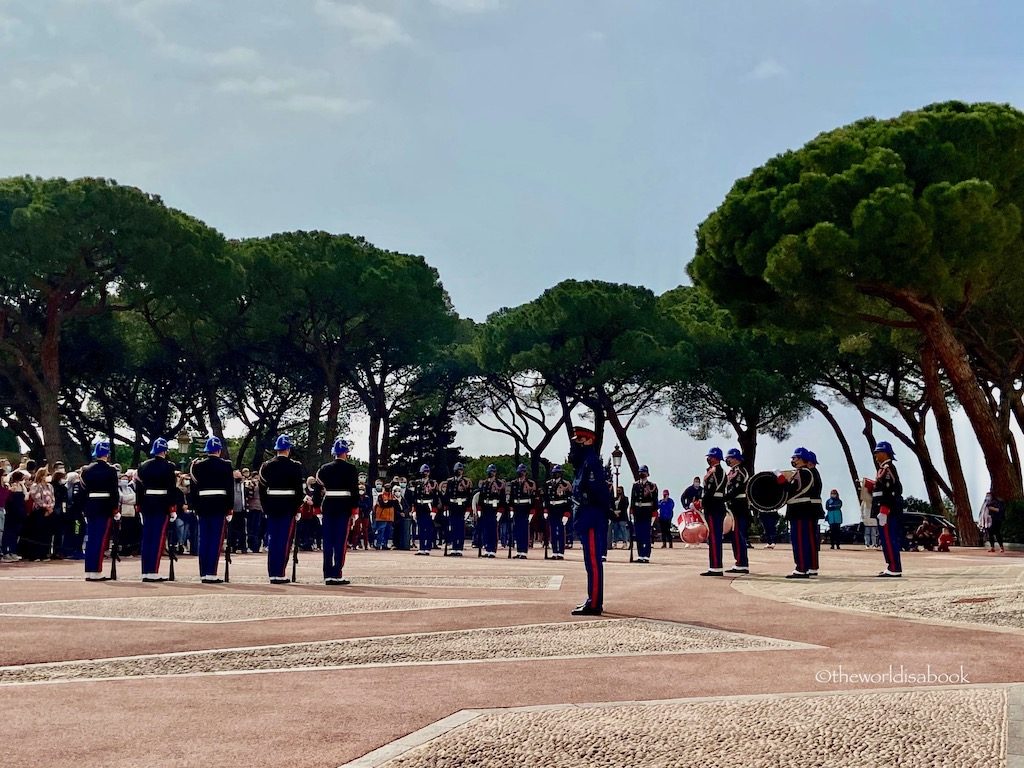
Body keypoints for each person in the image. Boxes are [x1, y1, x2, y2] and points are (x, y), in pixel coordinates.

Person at [569, 424, 610, 615]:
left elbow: (597, 492)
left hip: (591, 515)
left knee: (593, 562)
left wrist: (602, 512)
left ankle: (594, 603)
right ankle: (592, 599)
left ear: (589, 441)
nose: (577, 444)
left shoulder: (591, 462)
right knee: (589, 561)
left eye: (580, 440)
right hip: (586, 515)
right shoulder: (585, 462)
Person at [259, 435, 306, 584]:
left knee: (273, 539)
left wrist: (265, 507)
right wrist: (298, 508)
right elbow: (299, 490)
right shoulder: (295, 466)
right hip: (288, 507)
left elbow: (262, 489)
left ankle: (273, 572)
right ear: (288, 449)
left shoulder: (266, 465)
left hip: (272, 506)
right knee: (284, 540)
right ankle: (279, 572)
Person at [189, 436, 234, 583]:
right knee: (215, 540)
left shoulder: (197, 465)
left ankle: (203, 573)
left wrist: (195, 507)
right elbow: (230, 489)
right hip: (219, 506)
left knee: (204, 540)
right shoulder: (226, 465)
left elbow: (193, 490)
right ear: (219, 450)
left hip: (203, 506)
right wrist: (230, 508)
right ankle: (211, 573)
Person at [314, 438, 359, 585]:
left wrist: (316, 507)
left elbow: (318, 488)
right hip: (344, 506)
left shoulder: (324, 468)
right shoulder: (351, 469)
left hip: (328, 505)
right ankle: (337, 573)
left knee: (328, 541)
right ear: (346, 453)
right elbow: (354, 491)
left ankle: (327, 574)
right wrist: (355, 510)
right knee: (340, 541)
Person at [136, 437, 178, 582]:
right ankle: (153, 571)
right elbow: (171, 489)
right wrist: (172, 508)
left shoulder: (143, 466)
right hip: (161, 504)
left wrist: (139, 506)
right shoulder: (169, 466)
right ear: (165, 451)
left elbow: (139, 489)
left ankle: (145, 570)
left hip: (147, 504)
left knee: (147, 538)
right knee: (158, 538)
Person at [81, 440, 120, 581]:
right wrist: (115, 510)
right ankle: (96, 571)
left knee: (91, 539)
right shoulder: (110, 470)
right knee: (101, 539)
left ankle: (89, 570)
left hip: (91, 506)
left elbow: (83, 492)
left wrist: (85, 509)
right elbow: (114, 492)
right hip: (105, 507)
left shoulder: (86, 470)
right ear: (107, 454)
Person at [778, 447, 819, 579]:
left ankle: (801, 568)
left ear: (802, 459)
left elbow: (792, 489)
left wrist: (781, 479)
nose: (792, 460)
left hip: (800, 510)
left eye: (795, 458)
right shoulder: (803, 472)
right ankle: (806, 567)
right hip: (801, 510)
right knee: (803, 540)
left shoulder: (803, 473)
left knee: (800, 541)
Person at [868, 441, 904, 577]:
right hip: (882, 509)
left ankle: (894, 567)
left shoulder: (887, 468)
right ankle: (891, 566)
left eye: (878, 452)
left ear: (885, 453)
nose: (875, 455)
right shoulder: (883, 468)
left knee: (889, 538)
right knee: (885, 539)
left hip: (886, 510)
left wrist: (884, 510)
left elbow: (890, 490)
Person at [700, 447, 728, 576]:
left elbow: (711, 490)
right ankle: (714, 566)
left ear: (715, 458)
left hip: (714, 506)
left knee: (714, 537)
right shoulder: (715, 471)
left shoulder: (716, 471)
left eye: (710, 457)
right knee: (714, 536)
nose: (708, 459)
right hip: (715, 505)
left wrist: (701, 502)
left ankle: (716, 567)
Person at [724, 447, 750, 574]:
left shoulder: (741, 471)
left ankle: (742, 563)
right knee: (735, 536)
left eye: (729, 458)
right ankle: (738, 561)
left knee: (739, 535)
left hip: (739, 505)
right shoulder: (732, 471)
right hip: (733, 505)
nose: (727, 460)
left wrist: (723, 498)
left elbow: (736, 489)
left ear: (735, 459)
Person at [442, 462, 473, 556]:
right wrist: (445, 507)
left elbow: (469, 497)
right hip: (452, 506)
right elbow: (447, 495)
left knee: (460, 528)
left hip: (462, 507)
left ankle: (459, 547)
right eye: (457, 470)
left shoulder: (467, 482)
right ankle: (454, 547)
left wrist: (468, 510)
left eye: (460, 470)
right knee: (453, 527)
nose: (459, 472)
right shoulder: (450, 481)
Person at [407, 464, 439, 556]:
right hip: (419, 507)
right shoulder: (417, 483)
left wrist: (434, 510)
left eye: (427, 472)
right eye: (424, 472)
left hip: (428, 506)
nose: (426, 473)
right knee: (420, 528)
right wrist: (414, 510)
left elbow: (435, 498)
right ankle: (421, 547)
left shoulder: (433, 483)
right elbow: (414, 497)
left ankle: (427, 547)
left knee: (428, 528)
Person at [507, 464, 538, 559]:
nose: (522, 473)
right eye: (520, 472)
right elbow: (511, 497)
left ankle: (523, 551)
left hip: (525, 509)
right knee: (517, 531)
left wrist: (532, 511)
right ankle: (519, 550)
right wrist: (511, 508)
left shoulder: (531, 483)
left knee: (524, 530)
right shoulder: (514, 483)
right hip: (517, 509)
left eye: (523, 472)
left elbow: (534, 498)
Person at [544, 465, 572, 560]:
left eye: (557, 473)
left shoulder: (566, 484)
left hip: (561, 510)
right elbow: (546, 499)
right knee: (552, 532)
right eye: (554, 473)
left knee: (560, 531)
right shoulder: (548, 484)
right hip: (552, 510)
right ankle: (554, 551)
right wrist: (546, 510)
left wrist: (567, 513)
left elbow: (569, 500)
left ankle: (560, 552)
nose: (555, 474)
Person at [630, 466, 658, 563]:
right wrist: (631, 513)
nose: (642, 474)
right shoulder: (635, 485)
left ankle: (646, 555)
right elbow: (632, 500)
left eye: (643, 472)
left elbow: (655, 502)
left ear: (647, 473)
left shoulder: (652, 486)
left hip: (647, 512)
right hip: (638, 512)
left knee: (646, 535)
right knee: (638, 535)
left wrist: (654, 515)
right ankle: (640, 554)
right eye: (640, 472)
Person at [477, 464, 505, 558]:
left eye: (493, 471)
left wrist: (500, 510)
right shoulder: (484, 483)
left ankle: (492, 549)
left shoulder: (500, 484)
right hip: (486, 508)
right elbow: (481, 497)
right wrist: (479, 509)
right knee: (485, 530)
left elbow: (502, 498)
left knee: (493, 530)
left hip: (494, 508)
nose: (491, 473)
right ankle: (487, 548)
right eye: (490, 471)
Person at [858, 479, 879, 549]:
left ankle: (874, 544)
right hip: (867, 518)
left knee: (873, 533)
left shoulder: (874, 500)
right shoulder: (864, 501)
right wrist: (862, 517)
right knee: (867, 533)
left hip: (873, 519)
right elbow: (861, 509)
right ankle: (867, 544)